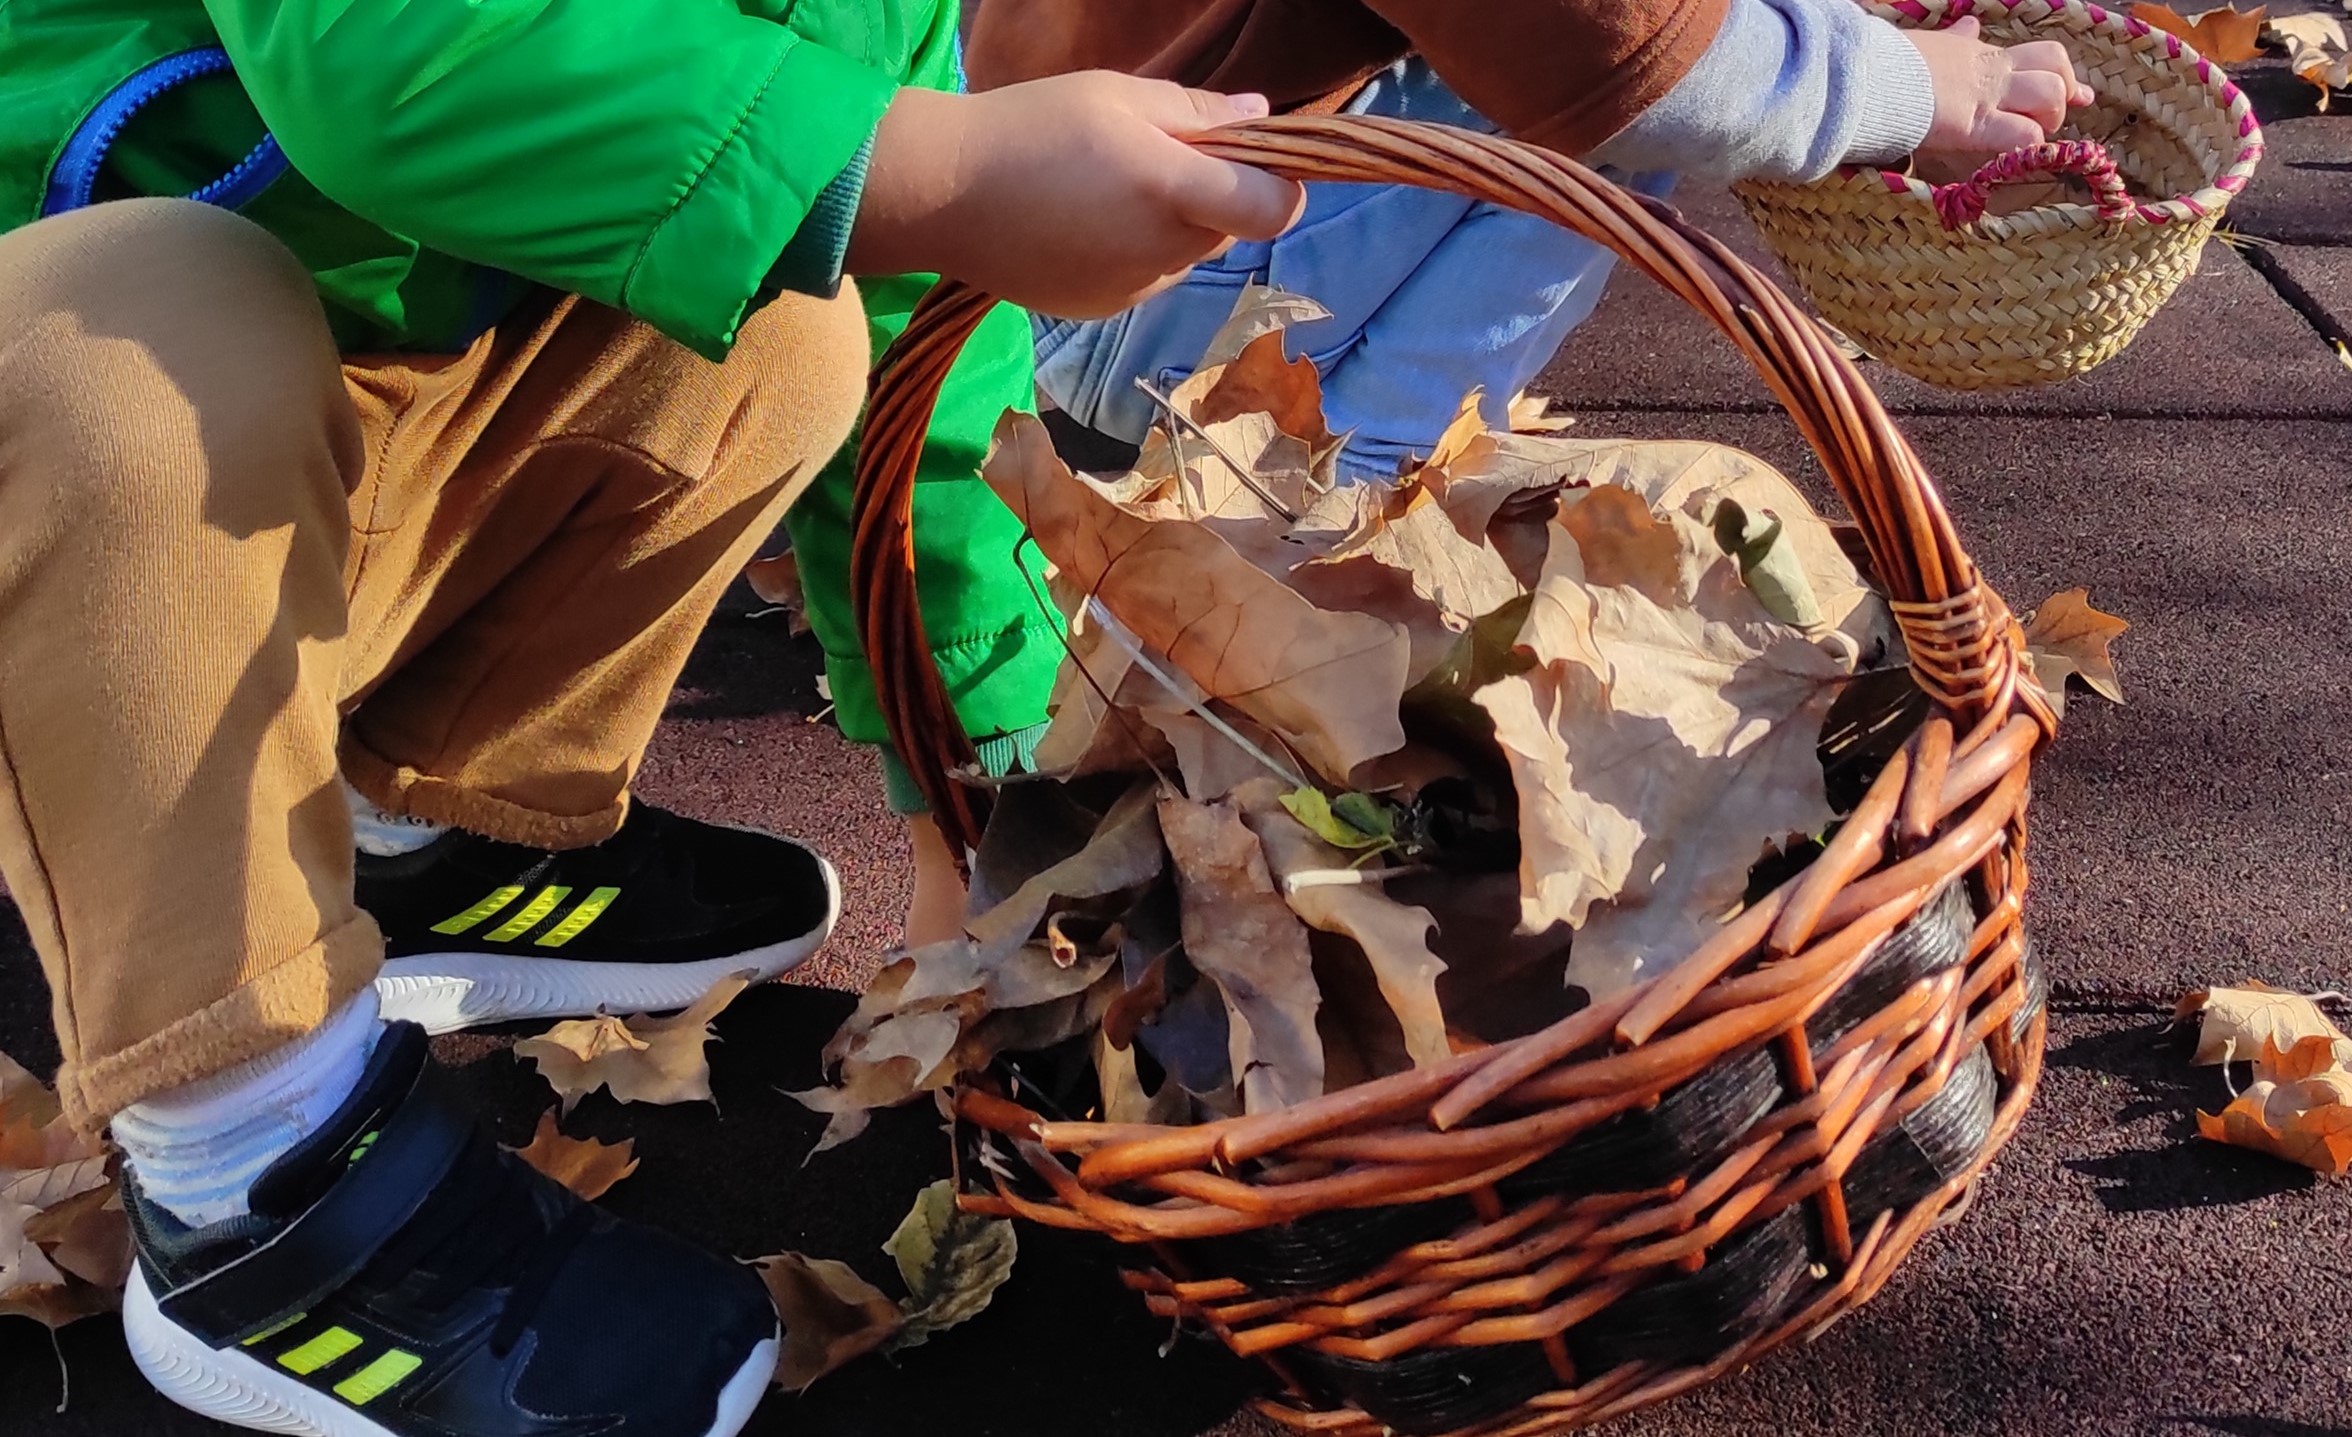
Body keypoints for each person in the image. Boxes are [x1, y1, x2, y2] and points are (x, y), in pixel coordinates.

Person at [0, 0, 1304, 1425]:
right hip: (57, 523)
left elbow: (916, 368)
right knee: (138, 326)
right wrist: (934, 162)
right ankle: (253, 1181)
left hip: (307, 484)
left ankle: (418, 830)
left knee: (778, 324)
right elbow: (381, 60)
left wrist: (967, 800)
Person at [968, 0, 2094, 481]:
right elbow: (1627, 52)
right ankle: (1355, 490)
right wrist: (1914, 87)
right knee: (1616, 98)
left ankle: (1338, 468)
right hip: (1149, 280)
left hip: (1065, 221)